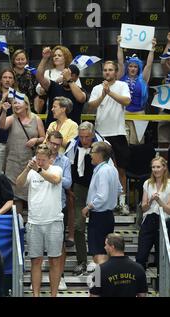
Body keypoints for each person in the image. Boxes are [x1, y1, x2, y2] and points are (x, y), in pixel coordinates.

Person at [65, 121, 110, 275]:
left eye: (87, 137)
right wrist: (70, 187)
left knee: (98, 230)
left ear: (93, 134)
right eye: (82, 137)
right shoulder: (72, 145)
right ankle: (82, 261)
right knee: (78, 226)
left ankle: (100, 263)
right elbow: (68, 165)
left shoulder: (102, 145)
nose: (84, 140)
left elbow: (111, 167)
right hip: (80, 188)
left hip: (98, 191)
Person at [17, 145, 63, 297]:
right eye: (38, 159)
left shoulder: (56, 169)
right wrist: (27, 169)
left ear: (51, 159)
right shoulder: (32, 171)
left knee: (54, 261)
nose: (40, 162)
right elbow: (19, 184)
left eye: (43, 160)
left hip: (54, 221)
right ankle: (36, 295)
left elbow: (55, 180)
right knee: (35, 260)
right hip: (34, 221)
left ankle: (53, 295)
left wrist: (38, 170)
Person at [88, 61, 131, 215]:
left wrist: (110, 92)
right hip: (101, 134)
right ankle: (99, 202)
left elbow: (127, 101)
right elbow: (91, 105)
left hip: (118, 133)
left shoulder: (122, 85)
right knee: (99, 169)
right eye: (105, 70)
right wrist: (103, 94)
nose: (107, 72)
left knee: (120, 169)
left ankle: (122, 203)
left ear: (116, 71)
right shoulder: (97, 88)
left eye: (110, 70)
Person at [0, 93, 45, 214]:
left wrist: (36, 140)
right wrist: (4, 111)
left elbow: (44, 138)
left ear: (26, 104)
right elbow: (2, 125)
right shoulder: (12, 118)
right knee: (15, 196)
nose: (16, 105)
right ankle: (19, 225)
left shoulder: (36, 119)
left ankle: (33, 221)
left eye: (19, 102)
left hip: (30, 162)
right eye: (14, 103)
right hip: (13, 163)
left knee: (32, 193)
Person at [83, 142, 122, 272]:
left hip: (99, 215)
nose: (90, 155)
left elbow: (102, 196)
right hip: (108, 215)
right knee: (104, 251)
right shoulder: (112, 169)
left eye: (92, 152)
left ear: (100, 154)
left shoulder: (103, 171)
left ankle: (99, 286)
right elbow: (119, 189)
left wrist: (89, 207)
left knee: (99, 252)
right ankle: (102, 285)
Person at [117, 35, 156, 144]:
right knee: (124, 142)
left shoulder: (142, 79)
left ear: (138, 68)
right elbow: (120, 62)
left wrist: (152, 49)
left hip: (139, 114)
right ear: (127, 67)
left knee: (137, 143)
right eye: (130, 66)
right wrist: (119, 46)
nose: (132, 68)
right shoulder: (122, 78)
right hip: (124, 113)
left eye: (135, 67)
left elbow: (149, 65)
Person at [45, 131, 72, 291]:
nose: (55, 147)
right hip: (41, 206)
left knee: (59, 243)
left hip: (58, 206)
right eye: (52, 143)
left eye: (58, 144)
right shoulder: (38, 158)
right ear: (47, 141)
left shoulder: (65, 160)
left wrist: (54, 177)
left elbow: (68, 183)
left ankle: (59, 276)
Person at [36, 47, 87, 127]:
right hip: (53, 131)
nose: (65, 75)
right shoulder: (54, 87)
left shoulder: (80, 91)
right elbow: (39, 76)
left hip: (72, 131)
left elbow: (81, 98)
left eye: (59, 55)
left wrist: (69, 79)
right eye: (64, 73)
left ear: (76, 77)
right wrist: (45, 59)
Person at [136, 156, 170, 270]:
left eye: (158, 167)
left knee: (161, 257)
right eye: (153, 167)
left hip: (164, 222)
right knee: (141, 255)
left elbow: (169, 210)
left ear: (164, 168)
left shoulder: (169, 184)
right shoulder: (147, 183)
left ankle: (162, 285)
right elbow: (144, 208)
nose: (155, 170)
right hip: (149, 220)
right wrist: (151, 200)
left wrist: (159, 201)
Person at [158, 32, 170, 158]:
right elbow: (162, 61)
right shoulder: (168, 72)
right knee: (163, 144)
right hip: (166, 108)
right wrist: (169, 43)